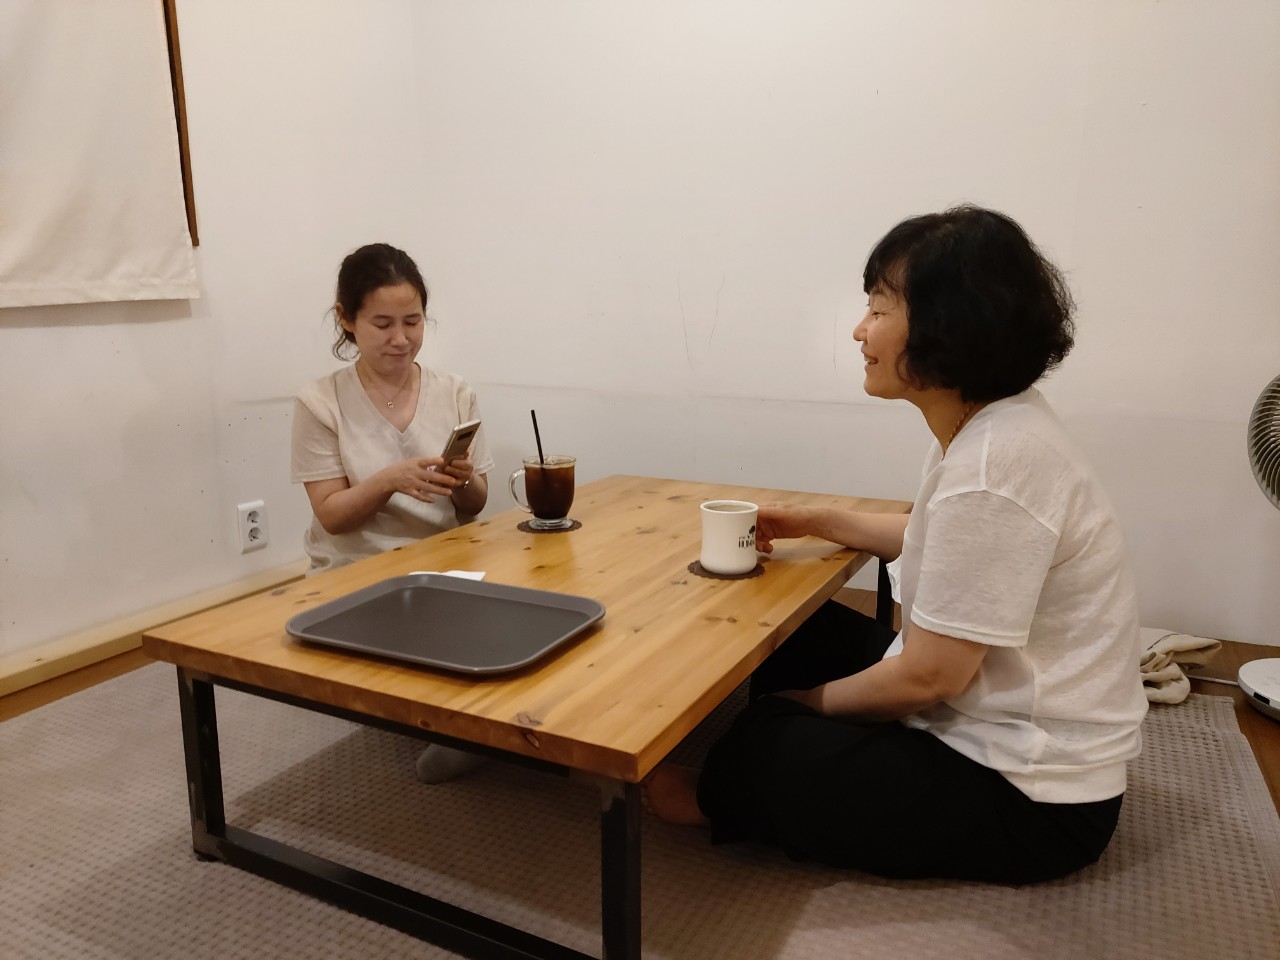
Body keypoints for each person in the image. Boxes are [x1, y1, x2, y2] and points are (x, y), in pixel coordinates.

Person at [645, 205, 1148, 885]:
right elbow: (933, 538)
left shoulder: (994, 467)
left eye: (880, 308)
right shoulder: (987, 426)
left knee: (769, 738)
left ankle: (722, 799)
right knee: (793, 634)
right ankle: (780, 762)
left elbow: (930, 678)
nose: (860, 330)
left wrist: (802, 705)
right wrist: (813, 519)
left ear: (951, 324)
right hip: (981, 715)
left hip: (1030, 795)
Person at [291, 242, 494, 783]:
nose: (401, 339)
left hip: (443, 561)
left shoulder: (454, 392)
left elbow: (475, 507)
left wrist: (463, 479)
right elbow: (332, 517)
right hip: (355, 568)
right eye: (382, 324)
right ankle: (458, 729)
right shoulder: (319, 402)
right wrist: (388, 481)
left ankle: (470, 724)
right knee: (430, 626)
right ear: (347, 319)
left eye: (413, 322)